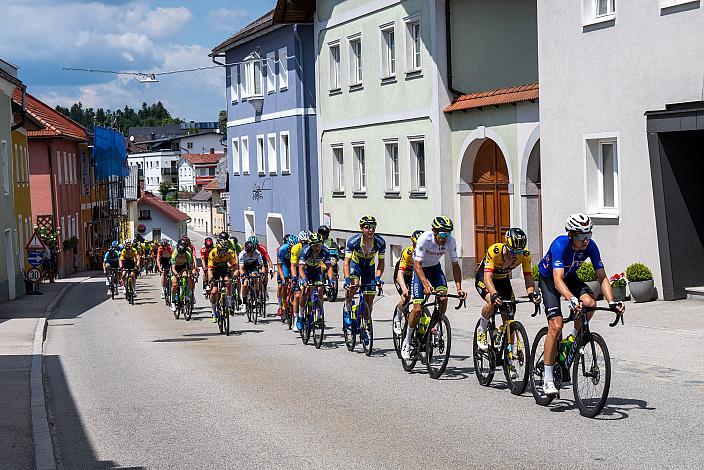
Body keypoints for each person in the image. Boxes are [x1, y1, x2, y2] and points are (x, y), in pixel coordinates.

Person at [537, 213, 625, 396]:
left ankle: (573, 338)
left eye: (588, 235)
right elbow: (557, 280)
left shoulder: (591, 246)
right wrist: (571, 299)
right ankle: (547, 379)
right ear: (571, 235)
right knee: (556, 325)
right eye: (580, 236)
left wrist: (612, 301)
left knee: (590, 303)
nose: (585, 240)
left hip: (570, 277)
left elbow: (601, 276)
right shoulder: (560, 244)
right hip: (550, 280)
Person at [400, 216, 467, 360]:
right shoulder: (424, 239)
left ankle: (434, 326)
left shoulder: (450, 241)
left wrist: (459, 288)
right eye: (443, 233)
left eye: (448, 233)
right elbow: (417, 265)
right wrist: (425, 285)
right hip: (420, 271)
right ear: (434, 231)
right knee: (417, 308)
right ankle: (407, 340)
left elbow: (455, 266)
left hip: (435, 270)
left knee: (443, 298)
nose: (445, 237)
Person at [474, 228, 541, 353]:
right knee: (491, 303)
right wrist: (493, 294)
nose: (515, 254)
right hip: (485, 279)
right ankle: (482, 329)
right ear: (506, 245)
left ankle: (508, 351)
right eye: (512, 251)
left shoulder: (525, 255)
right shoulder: (495, 251)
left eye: (519, 251)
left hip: (503, 280)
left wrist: (531, 293)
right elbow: (487, 277)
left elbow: (528, 277)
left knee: (510, 314)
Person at [343, 216, 386, 330]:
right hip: (355, 265)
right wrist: (347, 279)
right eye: (367, 227)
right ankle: (347, 308)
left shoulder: (380, 242)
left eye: (373, 227)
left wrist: (377, 277)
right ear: (361, 228)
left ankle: (366, 320)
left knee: (370, 298)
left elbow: (381, 262)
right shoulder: (354, 241)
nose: (370, 230)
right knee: (354, 286)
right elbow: (346, 263)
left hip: (369, 268)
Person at [297, 233, 333, 331]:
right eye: (314, 245)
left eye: (319, 245)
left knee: (320, 288)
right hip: (306, 271)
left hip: (316, 271)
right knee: (305, 289)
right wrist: (304, 280)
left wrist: (330, 280)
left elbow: (329, 267)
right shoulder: (305, 251)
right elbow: (300, 269)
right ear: (310, 245)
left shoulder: (325, 251)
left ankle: (319, 315)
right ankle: (300, 316)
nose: (317, 247)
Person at [392, 230, 424, 335]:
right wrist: (404, 289)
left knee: (421, 300)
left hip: (415, 275)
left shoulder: (426, 253)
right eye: (415, 245)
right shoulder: (408, 252)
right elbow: (400, 273)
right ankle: (397, 319)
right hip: (402, 275)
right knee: (406, 298)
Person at [208, 240, 237, 323]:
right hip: (215, 270)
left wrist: (234, 275)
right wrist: (211, 278)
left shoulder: (230, 253)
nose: (224, 253)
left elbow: (235, 268)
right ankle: (214, 312)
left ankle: (229, 303)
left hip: (224, 269)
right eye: (222, 251)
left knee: (228, 282)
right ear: (218, 250)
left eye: (226, 250)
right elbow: (210, 269)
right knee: (214, 291)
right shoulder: (213, 254)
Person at [289, 230, 310, 332]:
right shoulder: (296, 248)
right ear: (300, 242)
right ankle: (296, 318)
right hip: (298, 269)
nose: (306, 244)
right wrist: (294, 277)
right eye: (304, 243)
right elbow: (293, 265)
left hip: (308, 268)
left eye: (308, 242)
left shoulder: (312, 248)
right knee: (297, 295)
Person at [239, 241, 265, 311]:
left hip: (253, 266)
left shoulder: (257, 253)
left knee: (255, 277)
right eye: (249, 252)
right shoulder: (242, 254)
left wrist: (263, 273)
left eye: (252, 252)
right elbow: (241, 269)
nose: (251, 254)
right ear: (246, 251)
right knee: (245, 284)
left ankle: (256, 296)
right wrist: (244, 275)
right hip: (245, 267)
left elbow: (262, 266)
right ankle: (244, 303)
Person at [276, 234, 298, 317]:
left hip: (294, 264)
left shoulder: (298, 249)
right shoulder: (282, 250)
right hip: (285, 264)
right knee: (284, 283)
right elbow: (279, 266)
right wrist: (283, 278)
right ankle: (284, 305)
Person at [170, 242, 195, 313]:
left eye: (183, 253)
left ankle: (189, 293)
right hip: (175, 268)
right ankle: (173, 302)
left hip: (183, 267)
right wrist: (177, 275)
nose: (182, 255)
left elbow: (190, 266)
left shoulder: (187, 254)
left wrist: (192, 272)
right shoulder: (174, 254)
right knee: (174, 284)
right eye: (180, 254)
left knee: (188, 277)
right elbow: (173, 268)